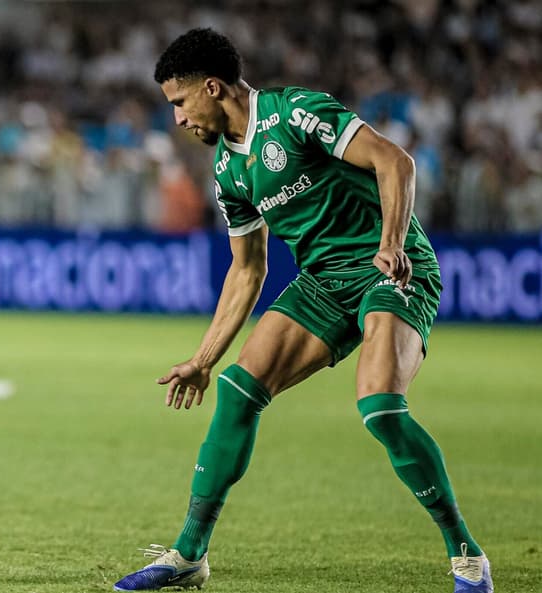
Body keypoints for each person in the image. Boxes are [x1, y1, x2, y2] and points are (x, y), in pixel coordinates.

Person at [113, 28, 492, 593]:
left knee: (381, 407)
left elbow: (396, 163)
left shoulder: (296, 113)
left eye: (179, 103)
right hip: (323, 284)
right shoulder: (227, 170)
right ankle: (189, 554)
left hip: (392, 268)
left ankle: (467, 555)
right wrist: (202, 359)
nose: (178, 119)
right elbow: (247, 270)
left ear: (212, 88)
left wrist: (390, 242)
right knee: (238, 389)